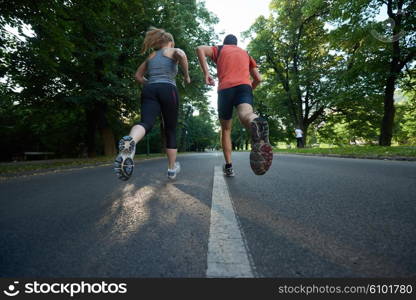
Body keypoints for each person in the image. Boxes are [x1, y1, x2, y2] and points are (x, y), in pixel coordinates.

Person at [114, 27, 190, 181]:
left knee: (146, 122)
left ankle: (131, 141)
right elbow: (181, 54)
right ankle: (171, 169)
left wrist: (151, 83)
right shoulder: (173, 50)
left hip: (149, 90)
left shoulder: (151, 56)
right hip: (168, 89)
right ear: (169, 42)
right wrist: (186, 76)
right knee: (170, 129)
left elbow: (138, 76)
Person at [196, 34, 273, 176]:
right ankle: (256, 121)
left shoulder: (220, 49)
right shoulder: (245, 54)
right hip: (244, 87)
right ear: (236, 44)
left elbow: (200, 49)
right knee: (246, 115)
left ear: (225, 43)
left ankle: (229, 166)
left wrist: (206, 73)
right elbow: (259, 78)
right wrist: (249, 90)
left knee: (226, 130)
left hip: (225, 89)